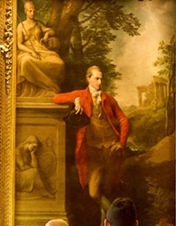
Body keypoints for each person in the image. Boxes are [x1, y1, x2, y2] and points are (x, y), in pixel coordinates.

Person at [53, 65, 130, 211]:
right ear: (88, 79)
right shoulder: (81, 95)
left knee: (108, 191)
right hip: (93, 151)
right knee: (94, 193)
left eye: (101, 79)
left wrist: (122, 142)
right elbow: (56, 98)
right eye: (97, 78)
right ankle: (114, 219)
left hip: (111, 150)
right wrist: (75, 99)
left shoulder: (108, 98)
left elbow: (123, 119)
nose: (100, 82)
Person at [15, 0, 66, 97]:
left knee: (60, 63)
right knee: (26, 61)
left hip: (41, 49)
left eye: (34, 10)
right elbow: (19, 44)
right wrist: (31, 52)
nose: (33, 13)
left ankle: (49, 89)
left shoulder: (38, 23)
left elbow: (52, 31)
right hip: (27, 51)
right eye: (30, 11)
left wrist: (46, 35)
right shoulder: (21, 26)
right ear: (26, 12)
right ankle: (41, 89)